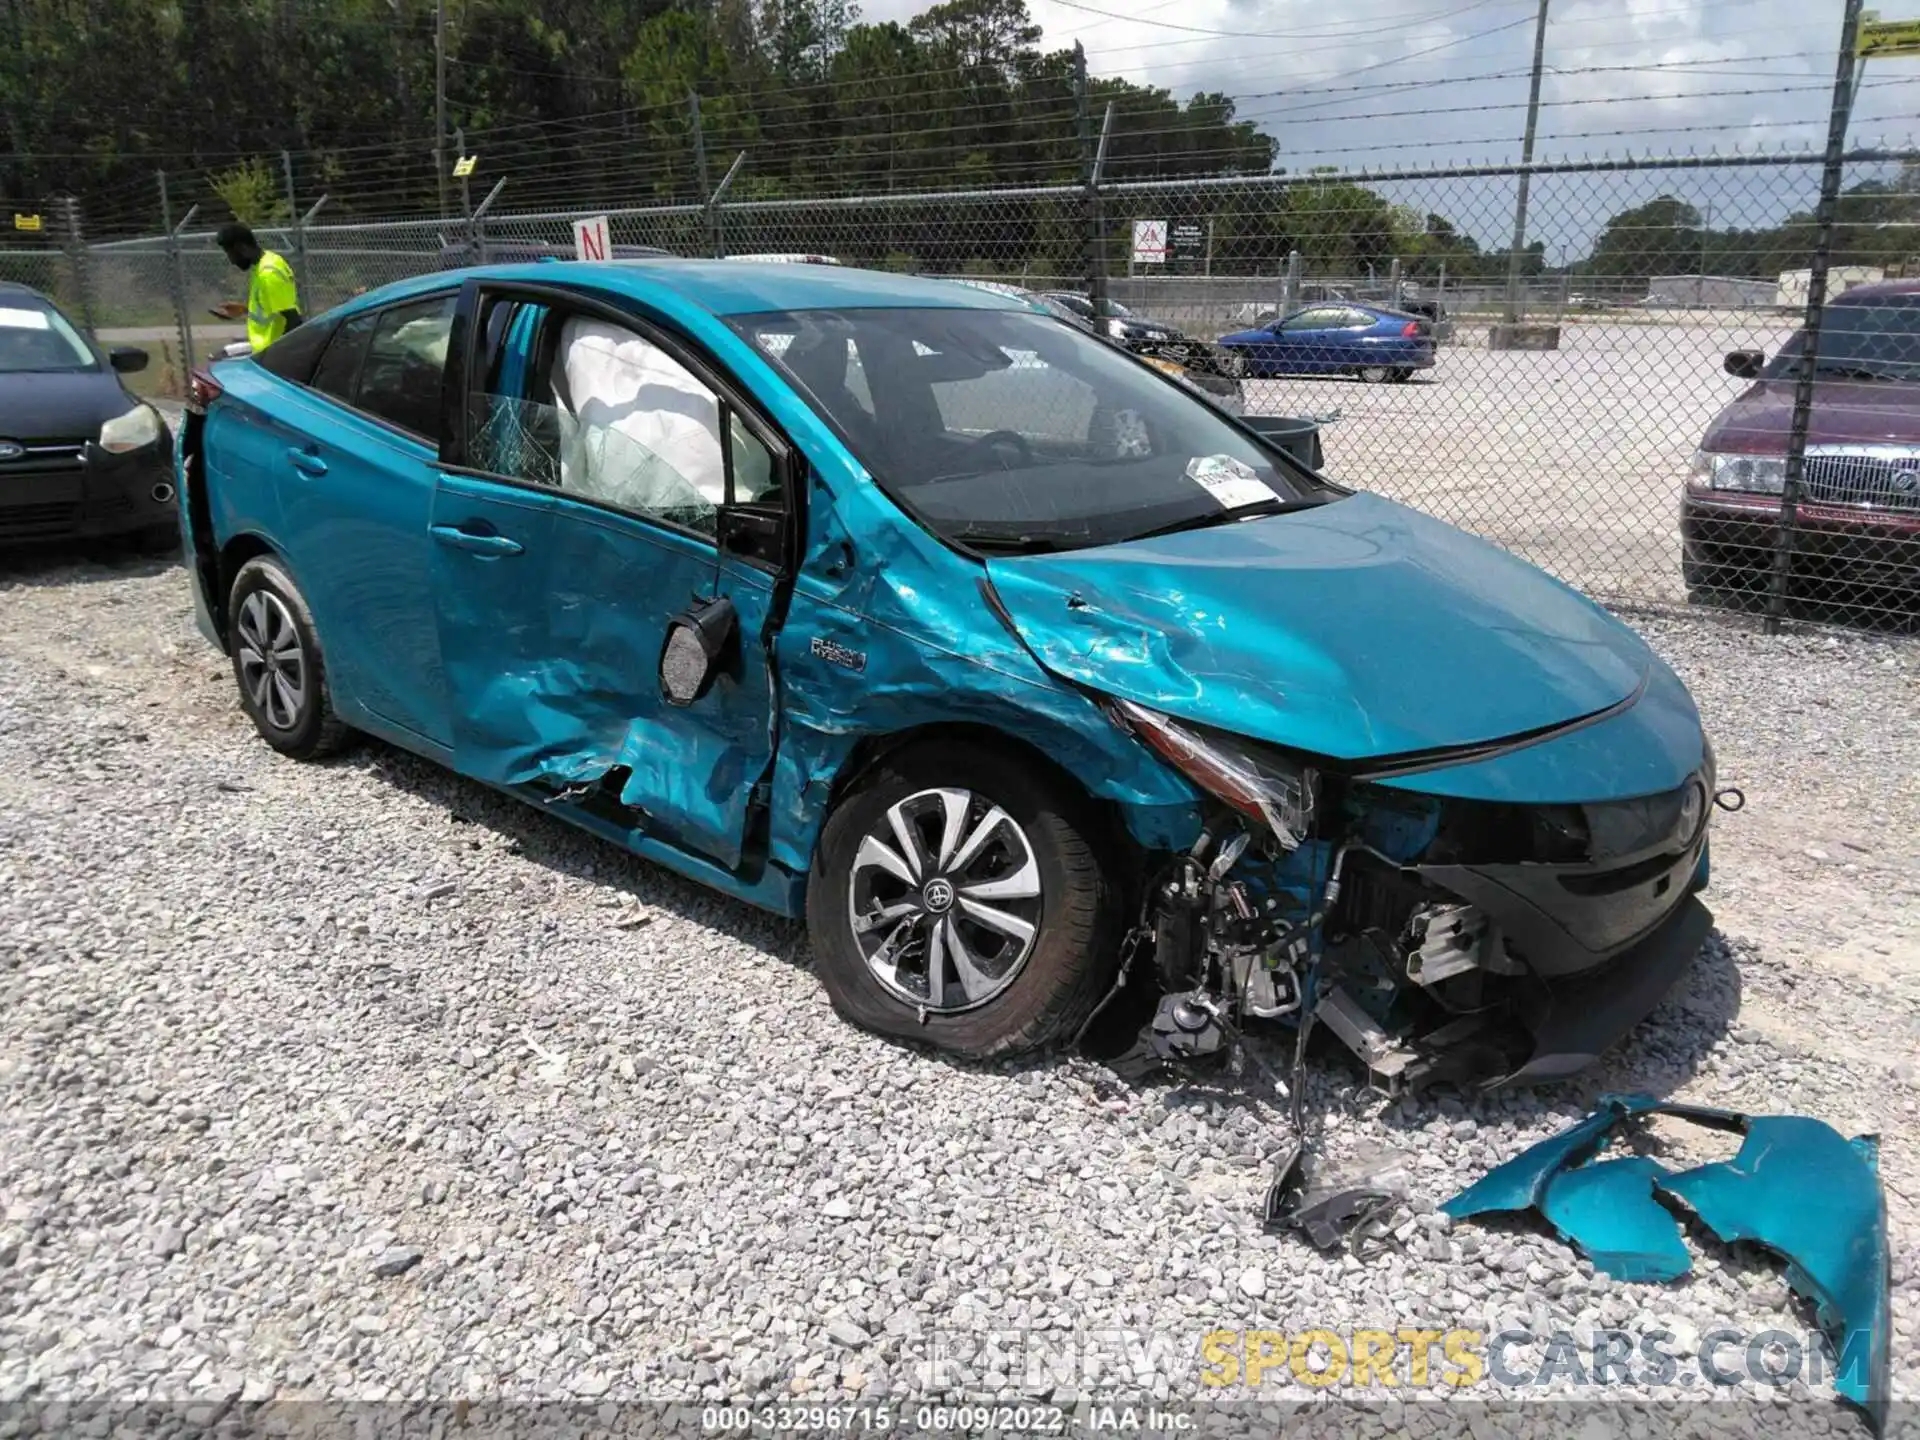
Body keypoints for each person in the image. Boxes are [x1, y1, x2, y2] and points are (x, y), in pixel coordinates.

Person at [214, 222, 302, 352]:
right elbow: (274, 310)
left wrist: (279, 357)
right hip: (265, 354)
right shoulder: (266, 262)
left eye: (230, 253)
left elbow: (293, 321)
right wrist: (244, 310)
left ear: (241, 248)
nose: (232, 261)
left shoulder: (268, 274)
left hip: (272, 357)